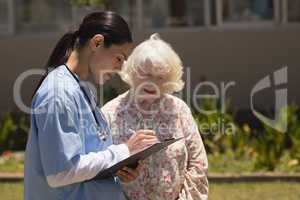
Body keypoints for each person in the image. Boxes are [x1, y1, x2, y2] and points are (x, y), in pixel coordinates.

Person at [24, 11, 158, 200]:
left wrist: (120, 167)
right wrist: (124, 151)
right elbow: (61, 172)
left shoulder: (83, 90)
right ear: (97, 43)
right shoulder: (58, 93)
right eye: (119, 58)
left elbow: (90, 160)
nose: (121, 68)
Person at [102, 34, 209, 200]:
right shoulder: (110, 113)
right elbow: (98, 169)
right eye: (146, 74)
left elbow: (198, 164)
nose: (152, 82)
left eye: (160, 77)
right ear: (132, 72)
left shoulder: (179, 110)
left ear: (169, 79)